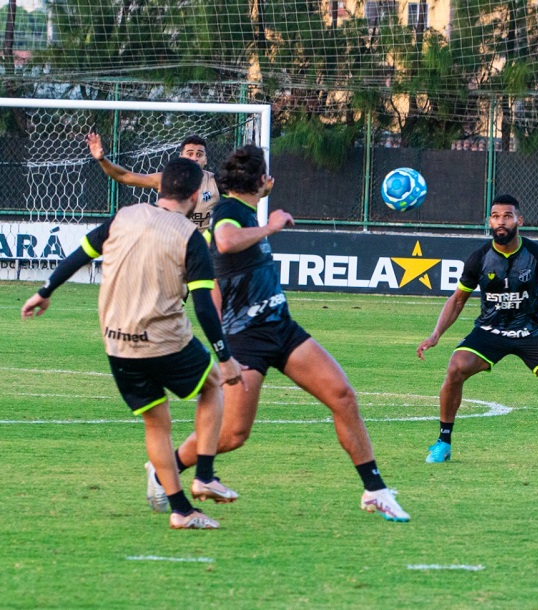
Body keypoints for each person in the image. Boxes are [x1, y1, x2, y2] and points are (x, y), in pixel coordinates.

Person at [165, 145, 411, 522]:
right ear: (259, 180)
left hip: (281, 328)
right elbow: (226, 241)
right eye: (266, 173)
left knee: (343, 395)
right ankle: (163, 470)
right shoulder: (230, 211)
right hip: (247, 338)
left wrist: (264, 217)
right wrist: (272, 225)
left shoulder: (247, 210)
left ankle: (374, 490)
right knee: (232, 434)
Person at [21, 158, 244, 529]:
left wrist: (45, 291)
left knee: (156, 424)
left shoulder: (123, 217)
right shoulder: (191, 236)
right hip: (164, 341)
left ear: (160, 188)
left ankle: (181, 510)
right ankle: (204, 474)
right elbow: (205, 306)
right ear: (194, 195)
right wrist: (225, 357)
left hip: (118, 344)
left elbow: (80, 254)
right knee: (212, 384)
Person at [417, 194, 538, 468]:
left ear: (519, 220)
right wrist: (435, 334)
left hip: (532, 331)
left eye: (507, 216)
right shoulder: (479, 258)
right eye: (495, 216)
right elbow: (458, 300)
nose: (501, 221)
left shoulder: (536, 254)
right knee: (455, 368)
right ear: (489, 221)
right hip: (490, 331)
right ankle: (443, 442)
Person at [86, 133, 221, 231]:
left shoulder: (216, 182)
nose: (194, 158)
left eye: (199, 155)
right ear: (181, 156)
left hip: (203, 249)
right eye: (190, 153)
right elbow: (124, 176)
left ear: (206, 159)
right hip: (171, 244)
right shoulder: (167, 179)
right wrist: (102, 159)